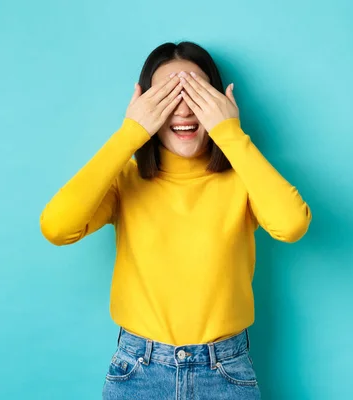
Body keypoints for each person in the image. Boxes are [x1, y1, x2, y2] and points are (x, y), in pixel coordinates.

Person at [39, 41, 312, 399]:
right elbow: (57, 227)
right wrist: (129, 134)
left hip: (226, 372)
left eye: (196, 93)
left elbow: (291, 224)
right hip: (138, 371)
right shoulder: (126, 181)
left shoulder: (245, 179)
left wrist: (229, 131)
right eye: (166, 96)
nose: (183, 109)